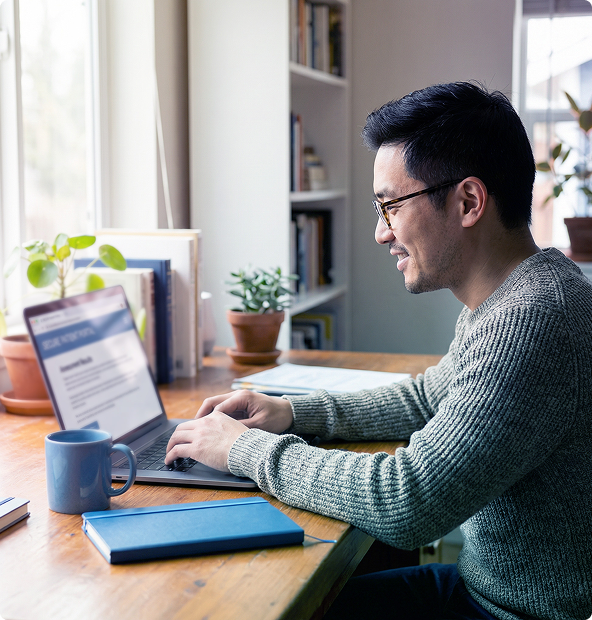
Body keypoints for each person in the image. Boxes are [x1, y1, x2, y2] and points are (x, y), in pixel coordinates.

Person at [165, 82, 592, 620]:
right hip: (493, 594)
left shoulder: (533, 319)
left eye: (390, 207)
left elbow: (406, 502)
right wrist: (294, 412)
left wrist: (242, 451)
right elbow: (429, 397)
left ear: (468, 202)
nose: (379, 233)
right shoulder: (521, 292)